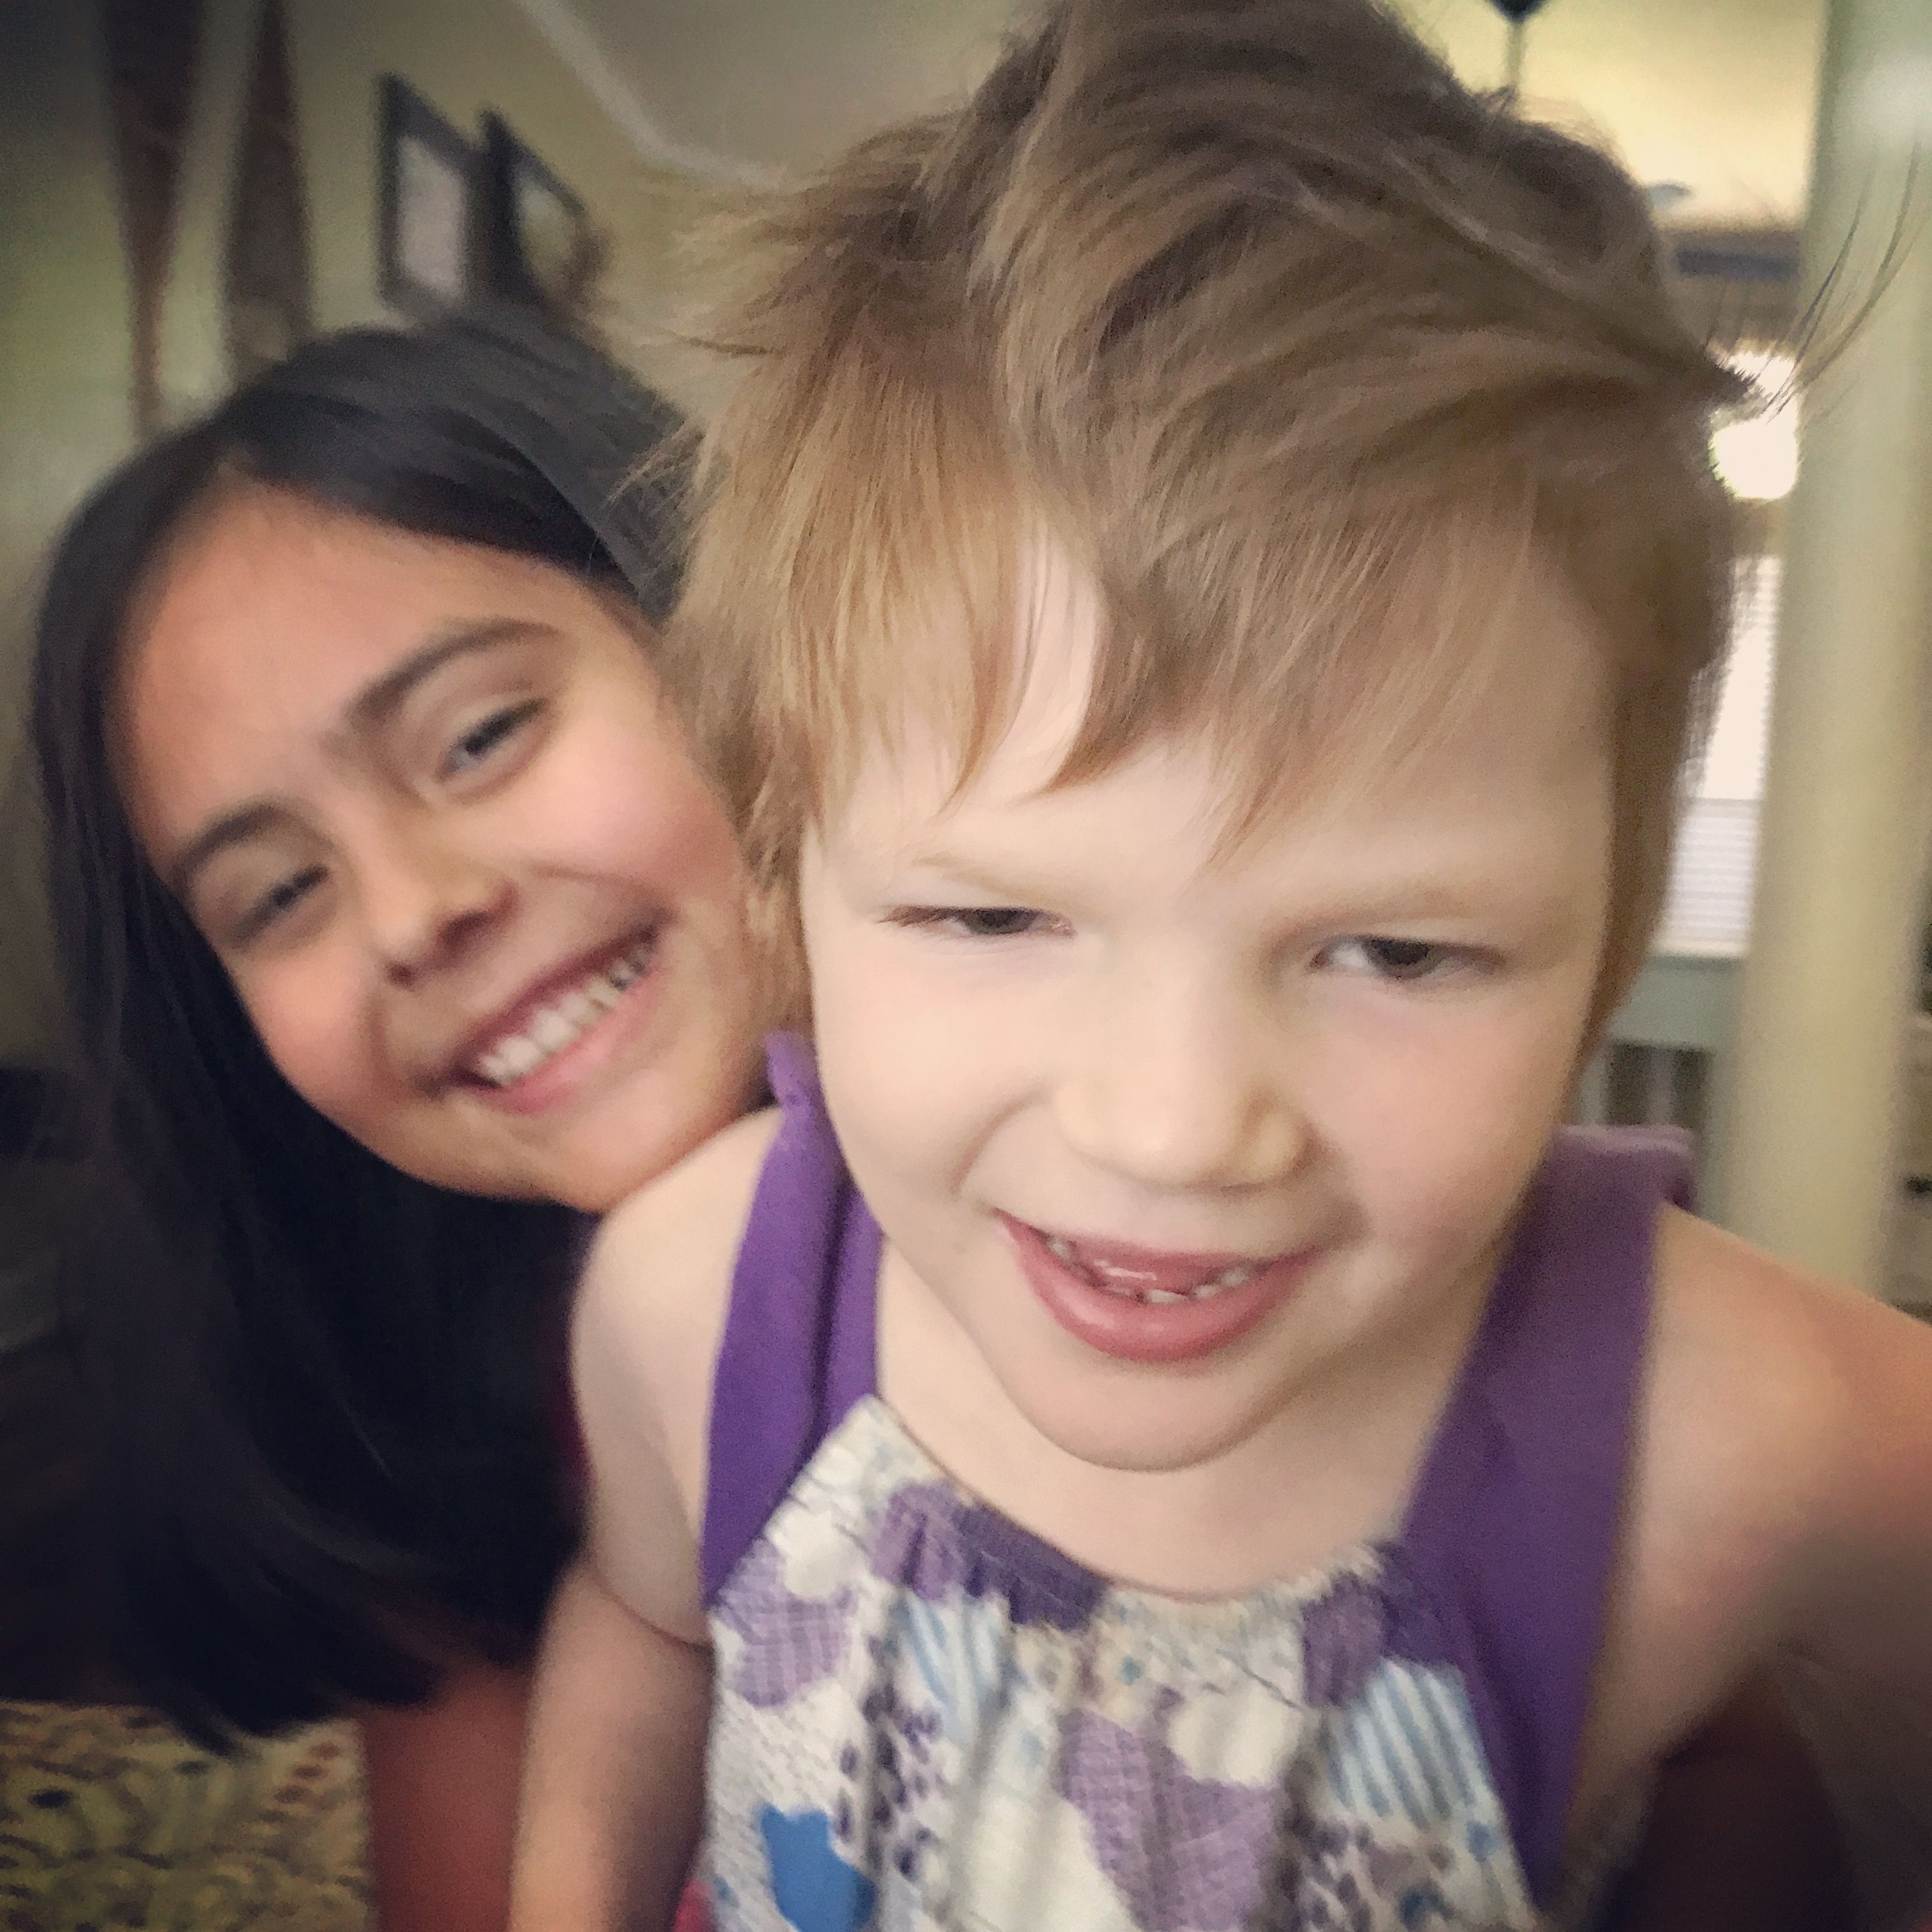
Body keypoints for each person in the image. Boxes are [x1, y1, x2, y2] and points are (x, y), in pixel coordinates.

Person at [509, 3, 1932, 1927]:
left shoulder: (1728, 1426)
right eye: (992, 918)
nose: (1173, 1128)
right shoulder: (696, 1301)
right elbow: (645, 1626)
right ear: (788, 888)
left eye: (1398, 950)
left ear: (1606, 933)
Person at [27, 307, 763, 1932]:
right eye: (280, 894)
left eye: (482, 736)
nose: (415, 913)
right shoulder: (439, 1406)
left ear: (734, 638)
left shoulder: (1150, 1181)